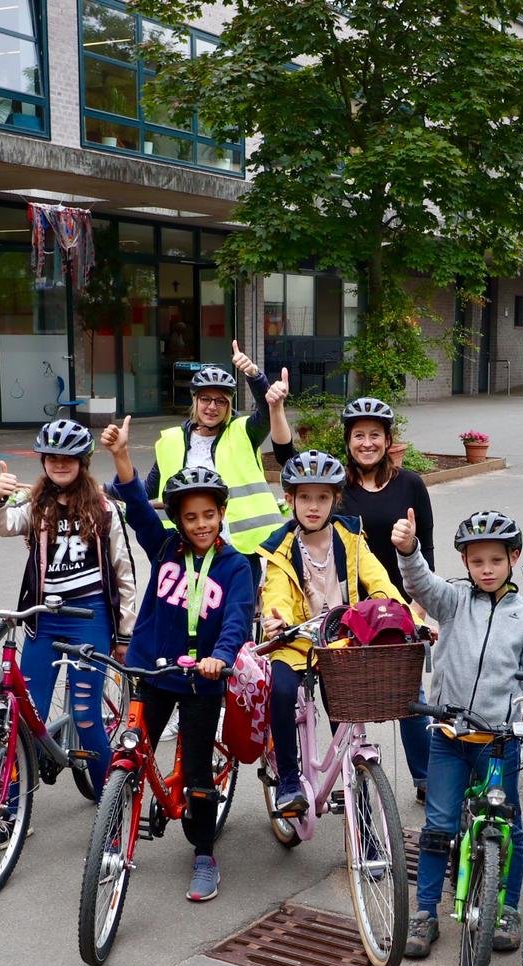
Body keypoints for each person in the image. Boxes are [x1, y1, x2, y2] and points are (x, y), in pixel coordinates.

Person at [390, 508, 523, 959]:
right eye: (477, 561)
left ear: (514, 558)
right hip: (449, 736)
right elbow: (420, 583)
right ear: (465, 563)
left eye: (496, 560)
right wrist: (408, 550)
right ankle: (425, 913)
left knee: (507, 826)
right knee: (438, 826)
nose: (486, 569)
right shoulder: (453, 601)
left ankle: (508, 909)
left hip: (499, 744)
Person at [102, 416, 255, 902]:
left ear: (221, 512)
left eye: (208, 514)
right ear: (179, 521)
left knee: (197, 776)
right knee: (129, 753)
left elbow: (236, 620)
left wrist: (220, 657)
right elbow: (138, 510)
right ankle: (113, 834)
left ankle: (205, 854)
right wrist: (121, 457)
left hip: (201, 682)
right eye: (190, 517)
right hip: (153, 671)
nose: (201, 524)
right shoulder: (166, 546)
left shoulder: (235, 567)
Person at [0, 418, 137, 797]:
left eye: (68, 458)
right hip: (44, 622)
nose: (60, 464)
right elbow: (2, 524)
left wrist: (124, 635)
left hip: (90, 619)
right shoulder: (36, 505)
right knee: (25, 714)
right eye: (52, 458)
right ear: (43, 462)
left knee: (86, 716)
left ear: (83, 462)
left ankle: (110, 801)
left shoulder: (104, 508)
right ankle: (9, 809)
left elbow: (124, 573)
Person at [258, 450, 410, 816]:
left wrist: (400, 613)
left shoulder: (350, 537)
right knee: (282, 691)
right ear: (290, 499)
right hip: (295, 640)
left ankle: (357, 792)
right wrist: (277, 619)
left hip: (341, 640)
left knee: (345, 709)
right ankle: (289, 780)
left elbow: (378, 580)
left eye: (323, 497)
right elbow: (275, 592)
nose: (313, 506)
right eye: (305, 497)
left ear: (335, 499)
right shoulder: (280, 548)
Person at [335, 396, 435, 799]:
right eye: (359, 435)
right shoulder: (337, 489)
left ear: (388, 439)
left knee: (411, 698)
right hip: (350, 613)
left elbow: (427, 549)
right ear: (348, 441)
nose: (367, 443)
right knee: (345, 698)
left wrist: (418, 608)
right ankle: (349, 780)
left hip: (400, 610)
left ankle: (426, 779)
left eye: (375, 434)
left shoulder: (410, 484)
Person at [144, 340, 294, 585]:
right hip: (186, 549)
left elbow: (267, 413)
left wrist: (253, 375)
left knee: (240, 609)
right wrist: (106, 490)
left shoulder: (243, 431)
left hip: (240, 550)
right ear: (195, 401)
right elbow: (147, 489)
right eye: (205, 399)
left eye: (221, 401)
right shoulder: (171, 440)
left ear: (229, 405)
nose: (212, 407)